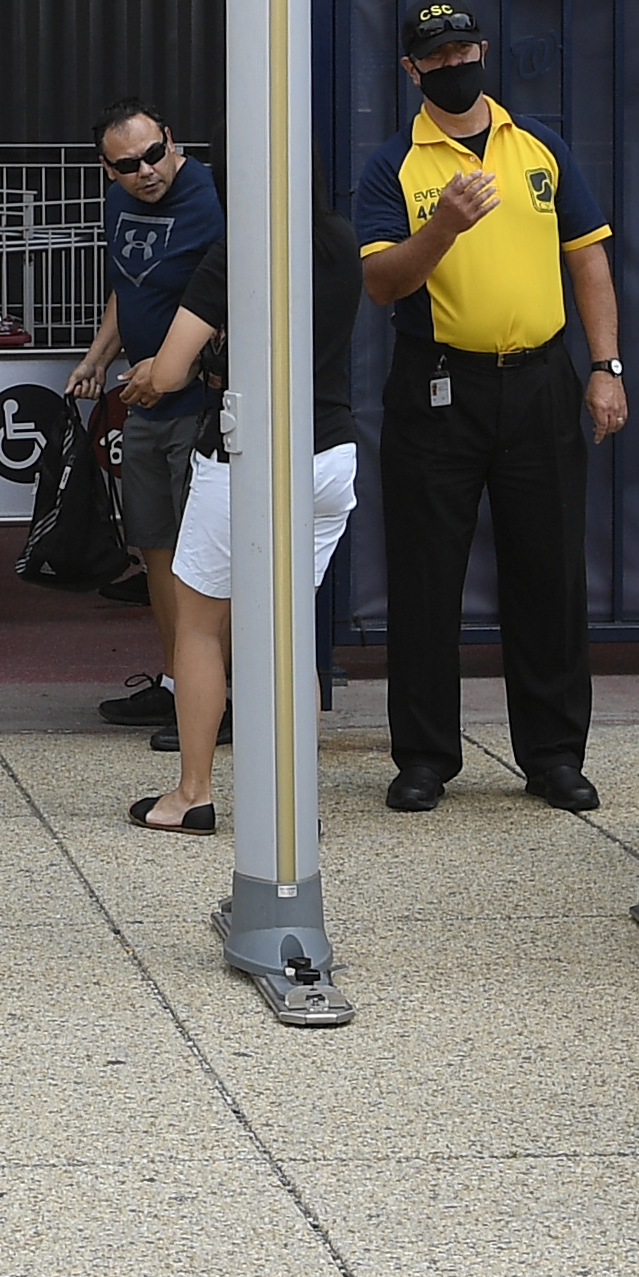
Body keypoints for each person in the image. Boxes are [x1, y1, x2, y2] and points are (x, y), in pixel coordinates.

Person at [358, 0, 630, 815]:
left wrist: (604, 364)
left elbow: (587, 258)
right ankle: (425, 757)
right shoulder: (392, 166)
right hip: (437, 385)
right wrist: (441, 227)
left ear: (482, 48)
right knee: (424, 574)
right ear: (410, 69)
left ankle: (552, 754)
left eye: (462, 49)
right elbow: (380, 282)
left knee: (547, 570)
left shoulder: (537, 145)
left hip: (540, 380)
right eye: (433, 58)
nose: (452, 66)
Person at [125, 206, 366, 832]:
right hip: (329, 454)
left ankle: (192, 794)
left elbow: (172, 368)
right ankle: (293, 805)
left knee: (201, 627)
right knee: (291, 633)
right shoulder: (340, 240)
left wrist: (162, 369)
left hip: (246, 457)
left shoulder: (239, 248)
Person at [69, 101, 224, 737]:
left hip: (197, 404)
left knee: (203, 561)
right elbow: (128, 287)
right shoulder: (120, 205)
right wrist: (99, 357)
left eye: (154, 154)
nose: (146, 172)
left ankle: (218, 694)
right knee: (155, 548)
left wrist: (172, 366)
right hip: (142, 401)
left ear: (170, 138)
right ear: (108, 170)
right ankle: (174, 681)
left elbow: (233, 292)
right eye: (127, 165)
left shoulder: (213, 197)